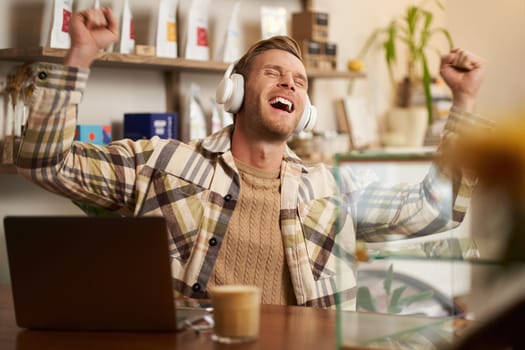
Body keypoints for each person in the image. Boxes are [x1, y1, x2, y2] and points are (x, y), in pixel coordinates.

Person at [16, 7, 491, 308]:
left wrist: (464, 103)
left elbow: (435, 209)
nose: (290, 84)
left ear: (306, 113)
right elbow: (45, 163)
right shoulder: (160, 163)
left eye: (300, 81)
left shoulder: (333, 189)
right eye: (274, 73)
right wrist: (79, 57)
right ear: (236, 91)